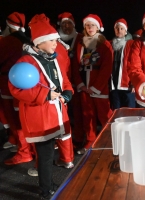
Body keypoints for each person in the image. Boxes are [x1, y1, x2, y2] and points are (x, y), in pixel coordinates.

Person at [8, 13, 73, 199]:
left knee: (49, 154)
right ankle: (46, 190)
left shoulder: (53, 58)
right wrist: (44, 94)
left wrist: (68, 92)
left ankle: (50, 184)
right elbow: (16, 88)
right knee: (44, 157)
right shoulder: (25, 62)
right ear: (39, 42)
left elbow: (64, 80)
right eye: (52, 40)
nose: (55, 43)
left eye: (56, 40)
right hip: (40, 116)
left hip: (55, 113)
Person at [72, 14, 113, 154]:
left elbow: (107, 67)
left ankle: (111, 139)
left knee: (104, 115)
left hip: (98, 87)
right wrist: (80, 85)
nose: (90, 28)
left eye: (93, 25)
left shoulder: (104, 44)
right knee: (87, 116)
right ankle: (90, 140)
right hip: (84, 86)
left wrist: (96, 87)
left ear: (98, 27)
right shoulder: (80, 43)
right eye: (88, 25)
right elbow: (75, 66)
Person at [0, 12, 33, 165]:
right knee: (24, 118)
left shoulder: (8, 41)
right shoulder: (28, 41)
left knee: (14, 119)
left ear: (8, 25)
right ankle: (25, 147)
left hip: (8, 83)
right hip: (26, 85)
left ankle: (24, 151)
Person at [57, 12, 85, 148]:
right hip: (61, 82)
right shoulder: (55, 40)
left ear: (73, 25)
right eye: (63, 24)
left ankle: (79, 138)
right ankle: (63, 141)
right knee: (62, 113)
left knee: (78, 112)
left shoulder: (80, 38)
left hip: (77, 80)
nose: (66, 26)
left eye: (68, 24)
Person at [110, 18, 135, 110]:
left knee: (130, 112)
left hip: (127, 84)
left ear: (125, 31)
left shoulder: (131, 44)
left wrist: (134, 82)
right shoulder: (110, 44)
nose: (119, 30)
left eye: (121, 28)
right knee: (117, 112)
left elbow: (134, 63)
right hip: (114, 85)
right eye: (117, 28)